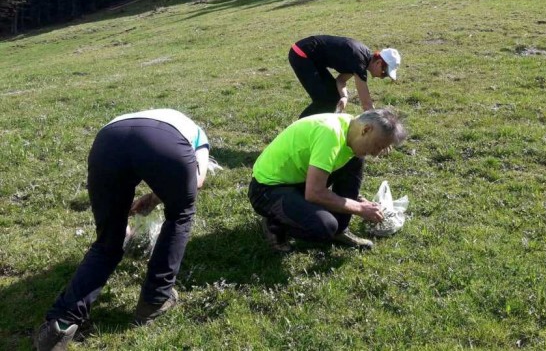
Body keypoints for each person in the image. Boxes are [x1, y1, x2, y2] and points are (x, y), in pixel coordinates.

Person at [35, 109, 210, 351]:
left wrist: (150, 200)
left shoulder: (153, 116)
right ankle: (155, 299)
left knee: (108, 242)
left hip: (107, 141)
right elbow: (196, 181)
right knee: (180, 213)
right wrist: (159, 197)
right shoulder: (198, 135)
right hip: (165, 145)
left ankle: (60, 324)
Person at [248, 108, 407, 252]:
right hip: (266, 190)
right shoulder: (329, 134)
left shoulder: (350, 126)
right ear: (366, 130)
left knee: (356, 158)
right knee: (323, 226)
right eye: (378, 146)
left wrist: (354, 201)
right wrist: (359, 208)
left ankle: (340, 230)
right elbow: (314, 193)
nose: (376, 154)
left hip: (298, 182)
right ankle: (275, 224)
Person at [289, 35, 401, 118]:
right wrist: (380, 127)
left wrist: (344, 96)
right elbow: (366, 105)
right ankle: (296, 130)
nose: (383, 77)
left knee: (333, 97)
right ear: (379, 63)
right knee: (325, 100)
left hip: (310, 56)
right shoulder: (359, 62)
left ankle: (313, 129)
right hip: (302, 54)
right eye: (384, 73)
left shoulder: (362, 59)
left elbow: (340, 80)